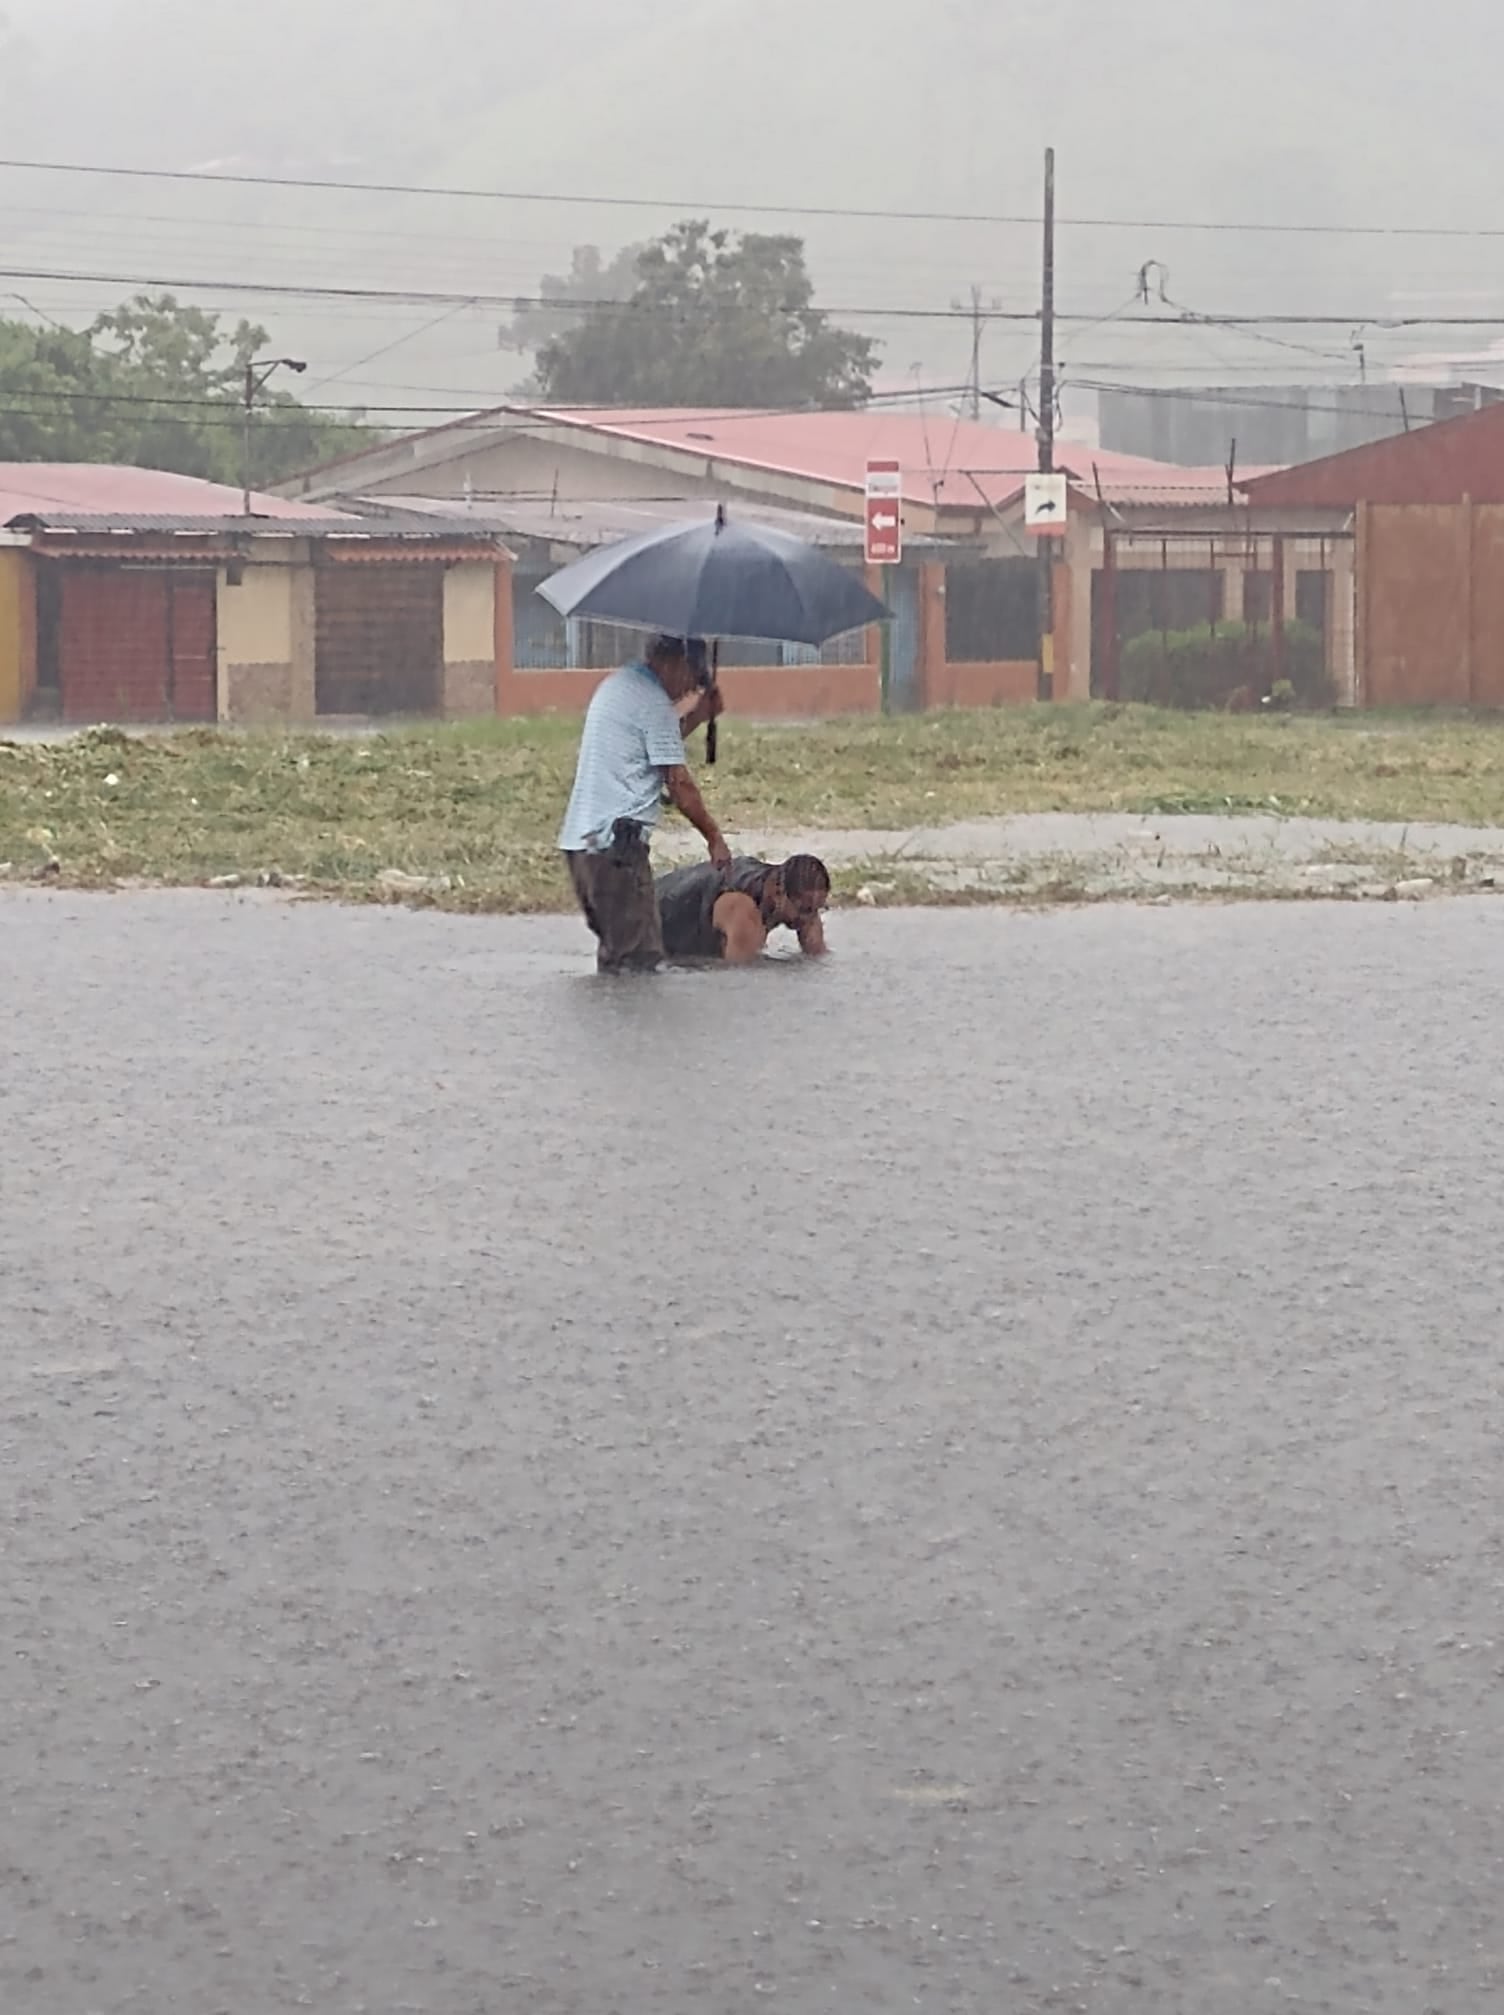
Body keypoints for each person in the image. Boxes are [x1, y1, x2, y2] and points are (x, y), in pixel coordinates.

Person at [558, 635, 729, 973]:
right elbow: (679, 784)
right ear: (675, 664)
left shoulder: (619, 685)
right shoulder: (653, 704)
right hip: (617, 855)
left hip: (584, 850)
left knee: (618, 959)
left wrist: (698, 716)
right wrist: (714, 837)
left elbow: (653, 744)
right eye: (692, 679)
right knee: (639, 965)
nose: (689, 690)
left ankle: (608, 1026)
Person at [656, 853, 831, 964]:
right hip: (655, 918)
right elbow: (739, 978)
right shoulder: (742, 909)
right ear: (778, 892)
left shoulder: (799, 899)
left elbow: (817, 958)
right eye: (806, 909)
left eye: (817, 908)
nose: (810, 918)